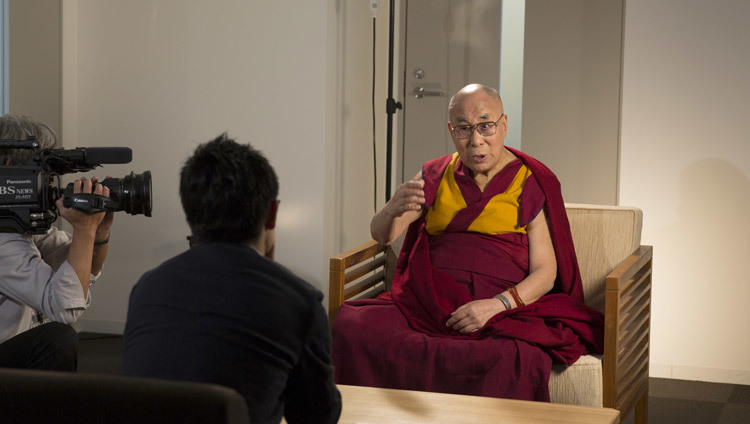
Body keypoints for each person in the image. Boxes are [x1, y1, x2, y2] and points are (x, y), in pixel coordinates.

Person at [332, 84, 604, 401]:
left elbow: (545, 271)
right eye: (463, 129)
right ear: (451, 130)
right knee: (352, 325)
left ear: (503, 125)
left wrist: (498, 305)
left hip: (501, 307)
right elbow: (384, 235)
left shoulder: (528, 180)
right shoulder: (435, 174)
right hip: (428, 300)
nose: (476, 141)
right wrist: (392, 208)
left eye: (485, 126)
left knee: (515, 357)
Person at [122, 134, 341, 424]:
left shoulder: (147, 288)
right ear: (272, 213)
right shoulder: (299, 301)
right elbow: (317, 416)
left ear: (190, 212)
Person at [0, 113, 114, 371]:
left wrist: (98, 232)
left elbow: (80, 271)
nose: (48, 180)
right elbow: (65, 306)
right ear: (10, 167)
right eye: (41, 169)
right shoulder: (3, 237)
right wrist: (85, 229)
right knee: (56, 340)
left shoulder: (18, 225)